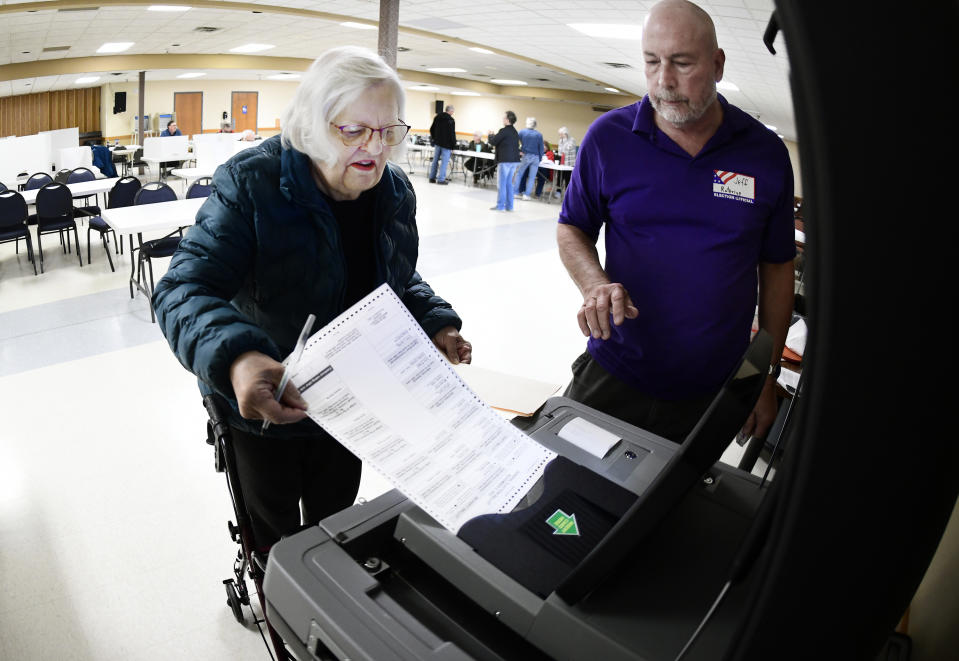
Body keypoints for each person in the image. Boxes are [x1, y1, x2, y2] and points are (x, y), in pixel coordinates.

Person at [152, 46, 473, 551]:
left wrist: (436, 322)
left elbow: (396, 280)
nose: (376, 146)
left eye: (390, 131)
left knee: (338, 521)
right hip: (262, 405)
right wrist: (240, 359)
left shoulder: (392, 191)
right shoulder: (253, 182)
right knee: (275, 532)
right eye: (354, 130)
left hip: (350, 400)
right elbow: (182, 288)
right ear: (313, 125)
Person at [556, 0, 795, 444]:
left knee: (676, 509)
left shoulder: (766, 155)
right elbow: (572, 226)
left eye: (682, 63)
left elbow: (778, 266)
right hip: (615, 369)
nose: (664, 82)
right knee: (567, 504)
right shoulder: (609, 138)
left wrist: (763, 374)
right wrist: (593, 284)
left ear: (718, 64)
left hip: (711, 388)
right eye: (652, 62)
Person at [487, 110, 520, 211]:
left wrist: (490, 135)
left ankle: (500, 206)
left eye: (504, 118)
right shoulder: (515, 132)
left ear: (508, 120)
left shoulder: (504, 131)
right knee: (509, 183)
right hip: (514, 160)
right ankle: (510, 206)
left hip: (505, 160)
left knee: (502, 183)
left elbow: (493, 142)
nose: (503, 119)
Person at [514, 117, 544, 201]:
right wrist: (540, 158)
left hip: (526, 155)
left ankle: (515, 193)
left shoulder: (522, 132)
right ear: (535, 125)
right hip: (536, 157)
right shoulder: (539, 134)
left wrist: (518, 151)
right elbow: (541, 148)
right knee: (532, 177)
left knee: (519, 174)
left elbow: (514, 141)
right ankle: (526, 195)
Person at [428, 104, 456, 185]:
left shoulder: (437, 117)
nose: (453, 112)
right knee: (444, 162)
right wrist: (453, 145)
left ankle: (432, 178)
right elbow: (452, 134)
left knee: (435, 160)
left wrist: (434, 138)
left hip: (437, 143)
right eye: (453, 111)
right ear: (450, 111)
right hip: (446, 145)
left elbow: (431, 129)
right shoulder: (451, 120)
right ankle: (441, 180)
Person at [555, 126, 576, 195]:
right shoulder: (560, 140)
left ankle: (568, 193)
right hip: (562, 162)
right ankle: (558, 191)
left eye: (561, 134)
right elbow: (560, 152)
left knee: (568, 178)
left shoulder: (572, 140)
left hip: (570, 163)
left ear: (565, 134)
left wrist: (563, 147)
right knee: (559, 177)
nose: (560, 136)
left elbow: (567, 149)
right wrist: (562, 148)